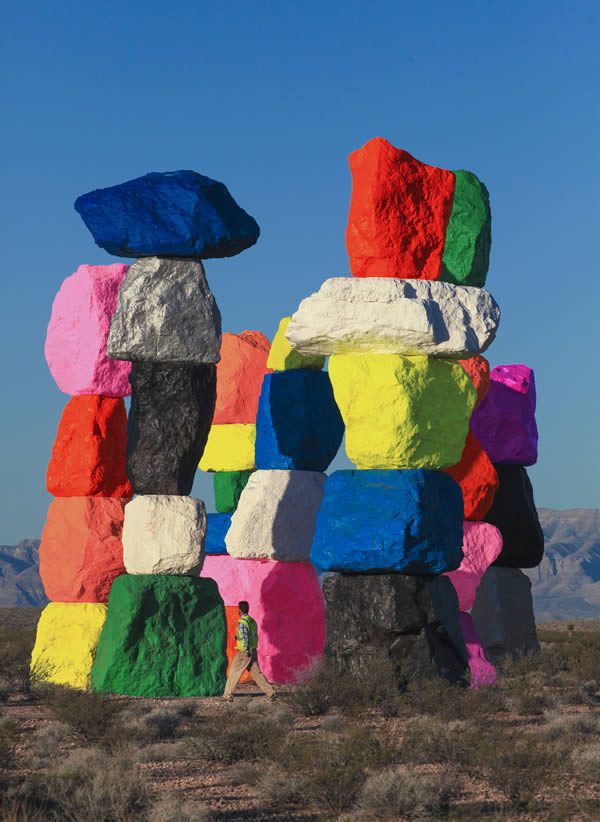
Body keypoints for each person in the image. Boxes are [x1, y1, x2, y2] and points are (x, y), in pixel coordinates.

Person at [222, 601, 275, 701]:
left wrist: (245, 650)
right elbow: (250, 635)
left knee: (234, 672)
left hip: (244, 652)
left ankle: (228, 695)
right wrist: (238, 637)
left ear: (240, 610)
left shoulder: (242, 622)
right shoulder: (251, 621)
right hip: (253, 650)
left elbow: (245, 636)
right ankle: (271, 692)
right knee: (257, 674)